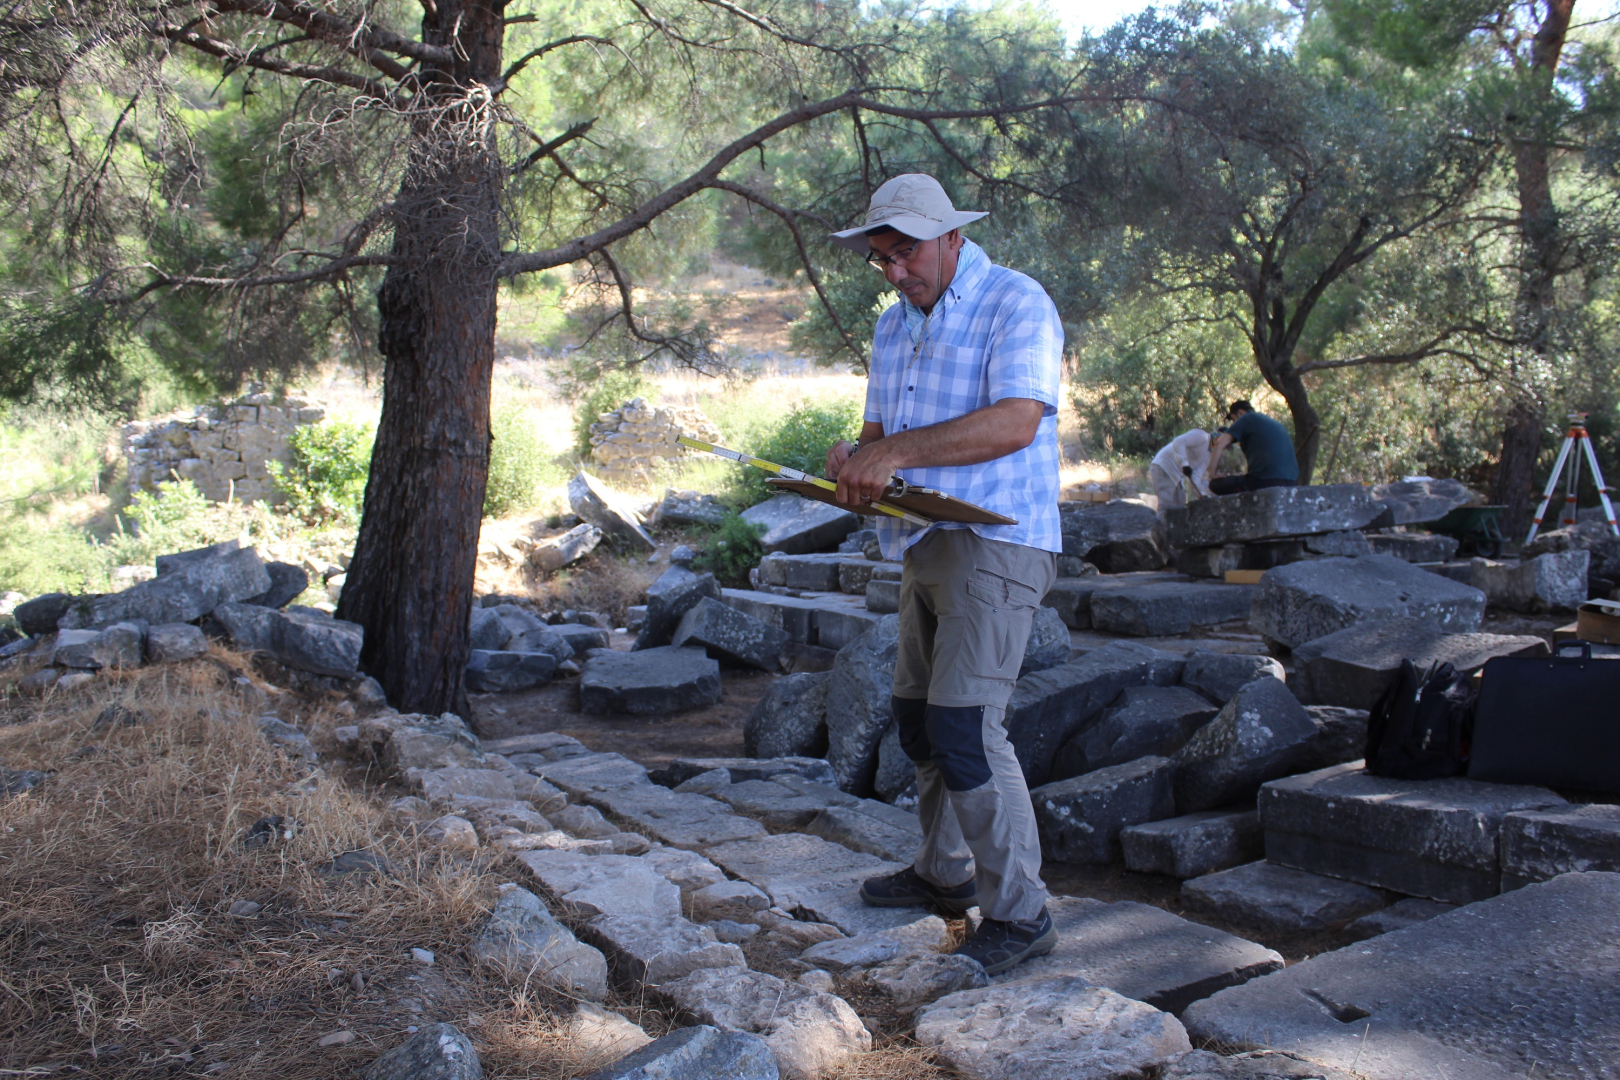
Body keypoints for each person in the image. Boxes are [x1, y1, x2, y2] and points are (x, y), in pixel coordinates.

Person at [823, 173, 1062, 976]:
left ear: (953, 236)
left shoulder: (1017, 301)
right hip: (920, 542)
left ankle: (1021, 915)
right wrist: (854, 468)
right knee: (919, 718)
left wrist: (894, 454)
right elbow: (876, 437)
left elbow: (1017, 420)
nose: (895, 273)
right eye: (881, 259)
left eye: (907, 253)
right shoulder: (895, 328)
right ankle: (943, 875)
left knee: (965, 727)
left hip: (999, 542)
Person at [1205, 400, 1299, 495]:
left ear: (1240, 413)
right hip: (1291, 482)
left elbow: (1219, 443)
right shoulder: (1271, 422)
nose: (1234, 424)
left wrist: (1211, 474)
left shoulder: (1246, 419)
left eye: (1234, 420)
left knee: (1215, 485)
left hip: (1265, 482)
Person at [1149, 429, 1212, 510]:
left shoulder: (1208, 456)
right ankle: (1160, 522)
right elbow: (1179, 442)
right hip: (1164, 466)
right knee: (1167, 506)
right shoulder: (1202, 436)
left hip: (1177, 475)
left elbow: (1195, 477)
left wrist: (1202, 495)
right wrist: (1184, 464)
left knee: (1180, 505)